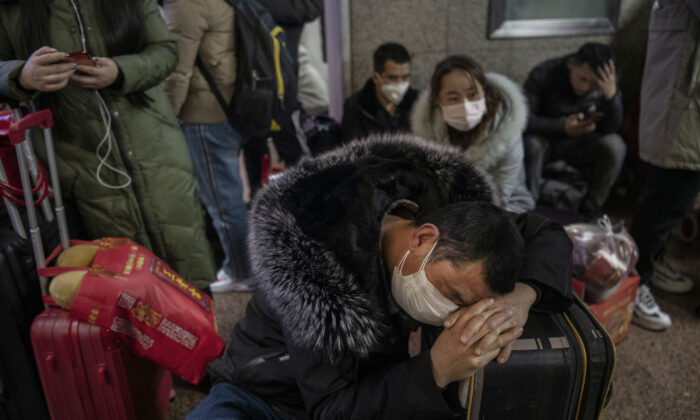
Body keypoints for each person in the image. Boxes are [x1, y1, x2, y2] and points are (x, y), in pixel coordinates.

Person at [188, 134, 573, 419]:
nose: (451, 316)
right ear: (423, 238)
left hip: (376, 380)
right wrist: (436, 368)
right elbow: (331, 408)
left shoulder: (461, 215)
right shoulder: (315, 266)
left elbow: (546, 233)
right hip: (268, 391)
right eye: (451, 293)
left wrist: (520, 298)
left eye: (468, 305)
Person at [0, 0, 216, 289]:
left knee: (188, 269)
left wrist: (120, 70)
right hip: (77, 159)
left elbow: (165, 51)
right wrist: (21, 75)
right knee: (123, 286)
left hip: (155, 146)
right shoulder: (11, 9)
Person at [161, 0, 253, 293]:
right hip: (228, 109)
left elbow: (178, 72)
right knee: (228, 195)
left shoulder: (186, 4)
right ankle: (243, 265)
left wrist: (165, 119)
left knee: (223, 202)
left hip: (204, 116)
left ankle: (240, 271)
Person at [629, 0, 700, 331]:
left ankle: (652, 265)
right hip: (681, 105)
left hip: (686, 101)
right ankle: (634, 282)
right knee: (666, 201)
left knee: (677, 200)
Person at [412, 55, 535, 213]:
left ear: (484, 91)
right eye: (453, 98)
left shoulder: (506, 128)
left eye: (473, 95)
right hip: (449, 208)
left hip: (505, 206)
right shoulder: (428, 130)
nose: (466, 105)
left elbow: (500, 194)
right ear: (438, 101)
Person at [523, 42, 626, 219]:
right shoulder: (544, 74)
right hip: (546, 141)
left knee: (615, 146)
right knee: (532, 145)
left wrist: (611, 97)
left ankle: (590, 210)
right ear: (572, 64)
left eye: (594, 84)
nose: (585, 88)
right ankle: (529, 208)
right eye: (583, 79)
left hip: (581, 143)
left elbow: (612, 128)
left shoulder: (606, 85)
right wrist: (561, 126)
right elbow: (525, 121)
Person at [242, 0, 323, 195]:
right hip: (248, 77)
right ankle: (259, 208)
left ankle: (311, 202)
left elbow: (312, 7)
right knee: (253, 148)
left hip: (282, 76)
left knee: (292, 146)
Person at [341, 42, 419, 143]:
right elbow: (353, 150)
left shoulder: (418, 102)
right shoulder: (356, 107)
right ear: (376, 78)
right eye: (393, 78)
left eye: (405, 77)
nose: (400, 84)